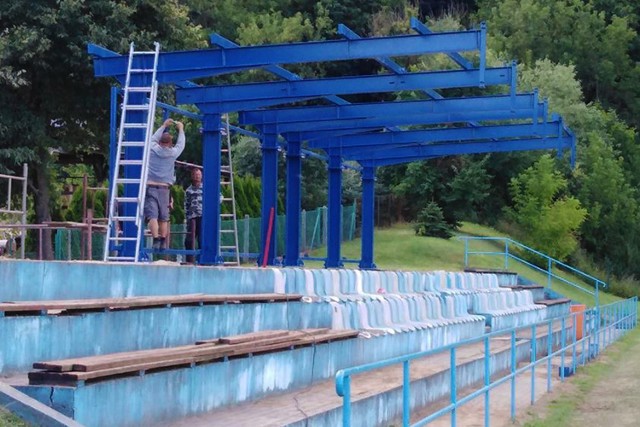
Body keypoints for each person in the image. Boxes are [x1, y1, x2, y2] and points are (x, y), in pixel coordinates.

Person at [144, 118, 185, 250]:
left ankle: (155, 238)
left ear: (160, 142)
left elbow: (152, 139)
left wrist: (163, 126)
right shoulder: (172, 153)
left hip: (151, 186)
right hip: (165, 188)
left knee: (152, 215)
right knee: (164, 217)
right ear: (170, 142)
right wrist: (181, 129)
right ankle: (163, 239)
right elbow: (181, 145)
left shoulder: (152, 149)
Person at [184, 167, 203, 263]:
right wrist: (186, 218)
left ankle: (202, 260)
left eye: (199, 175)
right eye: (195, 175)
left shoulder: (206, 188)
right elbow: (186, 205)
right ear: (192, 176)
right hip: (192, 217)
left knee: (201, 239)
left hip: (202, 217)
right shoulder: (188, 190)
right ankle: (189, 260)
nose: (197, 177)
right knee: (189, 240)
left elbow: (219, 197)